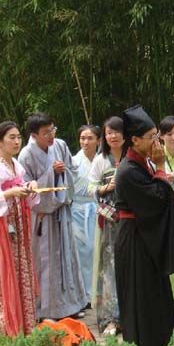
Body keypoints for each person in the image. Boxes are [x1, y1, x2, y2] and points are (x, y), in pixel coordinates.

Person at [114, 105, 174, 346]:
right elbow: (157, 200)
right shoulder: (129, 170)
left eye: (157, 135)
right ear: (134, 140)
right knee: (140, 296)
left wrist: (159, 169)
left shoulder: (143, 162)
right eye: (152, 136)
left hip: (146, 237)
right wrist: (162, 167)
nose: (157, 141)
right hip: (135, 241)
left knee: (157, 293)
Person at [18, 112, 88, 321]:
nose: (50, 136)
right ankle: (46, 309)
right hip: (43, 216)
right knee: (46, 260)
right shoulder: (26, 155)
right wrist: (51, 172)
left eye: (52, 130)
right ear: (34, 135)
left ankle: (70, 304)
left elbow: (72, 172)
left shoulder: (60, 145)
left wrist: (61, 172)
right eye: (45, 133)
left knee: (67, 256)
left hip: (62, 211)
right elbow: (26, 187)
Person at [0, 121, 39, 337]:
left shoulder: (16, 165)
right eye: (11, 137)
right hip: (4, 228)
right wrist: (10, 193)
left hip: (19, 225)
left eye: (18, 137)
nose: (16, 141)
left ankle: (24, 323)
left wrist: (30, 188)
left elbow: (23, 191)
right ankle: (4, 325)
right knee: (4, 271)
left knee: (20, 268)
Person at [88, 116, 124, 335]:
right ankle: (110, 318)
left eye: (116, 132)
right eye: (109, 133)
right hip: (110, 222)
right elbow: (90, 186)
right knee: (109, 269)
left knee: (129, 267)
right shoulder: (101, 159)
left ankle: (129, 316)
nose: (113, 136)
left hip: (131, 220)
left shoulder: (133, 156)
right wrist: (105, 187)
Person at [71, 124, 100, 301]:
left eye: (90, 138)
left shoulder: (104, 160)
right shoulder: (74, 162)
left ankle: (96, 292)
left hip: (97, 208)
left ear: (98, 140)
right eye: (82, 138)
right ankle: (82, 294)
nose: (85, 142)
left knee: (97, 249)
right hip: (78, 210)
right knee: (81, 251)